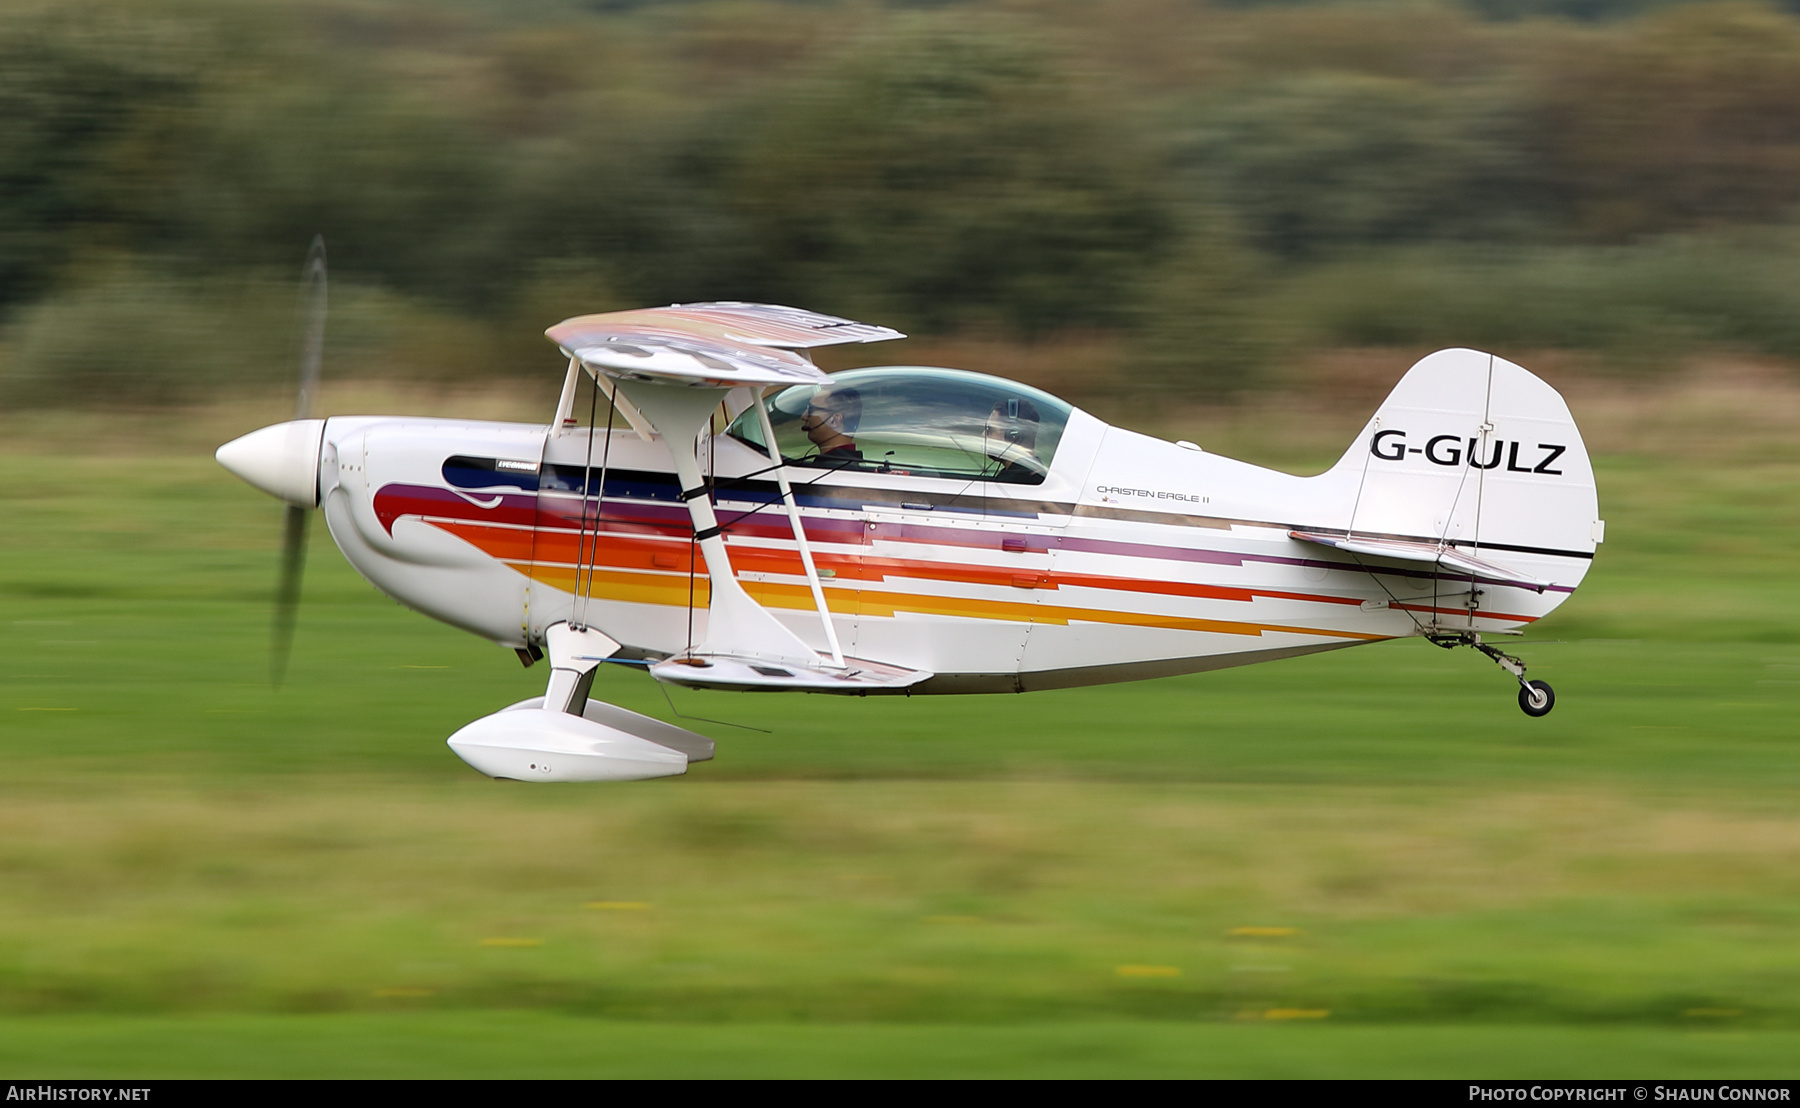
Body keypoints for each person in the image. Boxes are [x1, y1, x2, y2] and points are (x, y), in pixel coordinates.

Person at [983, 397, 1043, 483]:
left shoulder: (1015, 481)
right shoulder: (1034, 473)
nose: (983, 434)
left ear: (1012, 435)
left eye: (990, 430)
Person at [799, 385, 863, 463]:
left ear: (835, 420)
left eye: (811, 409)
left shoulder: (832, 469)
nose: (803, 416)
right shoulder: (846, 464)